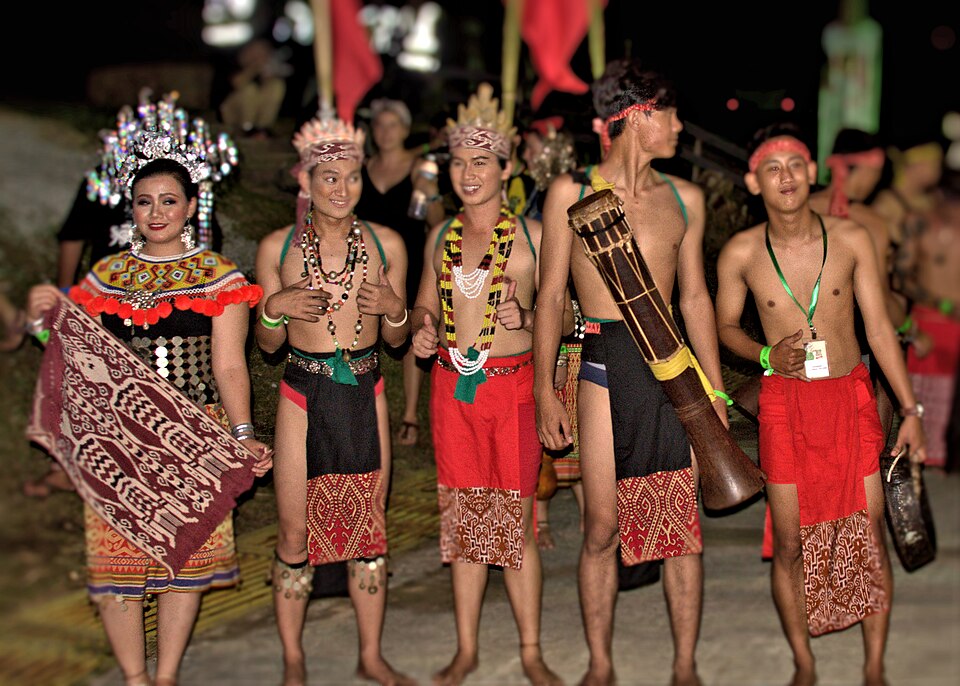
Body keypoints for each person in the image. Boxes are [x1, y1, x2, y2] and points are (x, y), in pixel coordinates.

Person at [24, 156, 272, 686]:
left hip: (194, 438)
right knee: (117, 566)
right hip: (119, 440)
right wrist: (40, 321)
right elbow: (70, 352)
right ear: (130, 209)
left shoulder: (218, 276)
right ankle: (135, 678)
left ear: (189, 208)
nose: (156, 212)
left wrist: (243, 434)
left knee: (184, 562)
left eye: (168, 200)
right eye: (144, 201)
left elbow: (229, 365)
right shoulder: (105, 277)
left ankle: (167, 677)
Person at [533, 58, 726, 686]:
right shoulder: (574, 193)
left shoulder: (684, 198)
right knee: (601, 526)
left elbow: (694, 299)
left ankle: (685, 666)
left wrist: (716, 392)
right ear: (639, 117)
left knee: (679, 528)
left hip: (672, 369)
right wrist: (544, 390)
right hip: (600, 364)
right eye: (668, 114)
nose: (677, 127)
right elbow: (550, 296)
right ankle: (601, 664)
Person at [714, 123, 927, 686]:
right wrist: (765, 355)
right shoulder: (741, 252)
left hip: (850, 396)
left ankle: (874, 667)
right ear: (753, 181)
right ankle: (804, 664)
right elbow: (725, 327)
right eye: (772, 167)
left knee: (868, 531)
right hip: (785, 402)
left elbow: (880, 330)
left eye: (795, 164)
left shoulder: (852, 237)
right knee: (789, 542)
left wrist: (910, 411)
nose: (786, 176)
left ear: (813, 172)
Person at [254, 112, 413, 686]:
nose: (340, 189)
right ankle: (293, 659)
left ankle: (370, 655)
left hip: (365, 391)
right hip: (303, 391)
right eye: (328, 178)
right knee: (294, 531)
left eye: (351, 177)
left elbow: (397, 340)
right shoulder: (277, 247)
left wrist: (394, 309)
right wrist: (276, 309)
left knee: (368, 525)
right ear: (306, 181)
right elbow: (266, 344)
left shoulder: (386, 241)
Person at [409, 83, 561, 686]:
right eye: (458, 162)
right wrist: (420, 331)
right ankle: (466, 649)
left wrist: (528, 320)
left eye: (480, 162)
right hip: (453, 390)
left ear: (506, 168)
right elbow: (422, 309)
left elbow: (569, 313)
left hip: (514, 389)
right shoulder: (440, 235)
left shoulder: (533, 236)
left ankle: (530, 651)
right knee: (465, 520)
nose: (468, 174)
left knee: (516, 521)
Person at [354, 97, 444, 447]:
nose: (385, 131)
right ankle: (364, 404)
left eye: (392, 124)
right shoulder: (362, 168)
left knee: (410, 330)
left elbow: (435, 225)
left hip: (409, 258)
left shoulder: (420, 168)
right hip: (367, 262)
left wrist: (432, 196)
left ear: (406, 130)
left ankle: (409, 413)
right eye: (379, 125)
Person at [892, 166, 960, 470]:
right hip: (929, 324)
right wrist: (942, 305)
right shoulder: (917, 223)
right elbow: (900, 280)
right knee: (927, 408)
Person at [218, 38, 292, 138]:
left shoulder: (267, 66)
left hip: (256, 111)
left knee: (277, 85)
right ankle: (247, 129)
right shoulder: (232, 62)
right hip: (231, 111)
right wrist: (254, 67)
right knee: (249, 90)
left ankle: (262, 129)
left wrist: (268, 73)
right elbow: (236, 83)